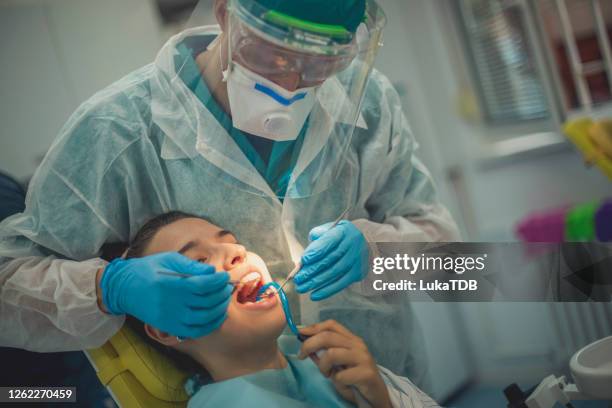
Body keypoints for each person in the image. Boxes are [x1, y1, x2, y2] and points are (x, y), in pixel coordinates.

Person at [0, 0, 459, 388]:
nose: (293, 82)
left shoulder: (371, 103)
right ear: (225, 13)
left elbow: (456, 265)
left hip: (384, 384)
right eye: (276, 55)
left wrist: (381, 255)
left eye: (321, 62)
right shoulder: (116, 131)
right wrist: (108, 289)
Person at [118, 211, 441, 407]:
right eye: (198, 260)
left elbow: (467, 266)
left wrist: (382, 401)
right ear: (166, 328)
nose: (235, 252)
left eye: (231, 240)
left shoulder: (339, 372)